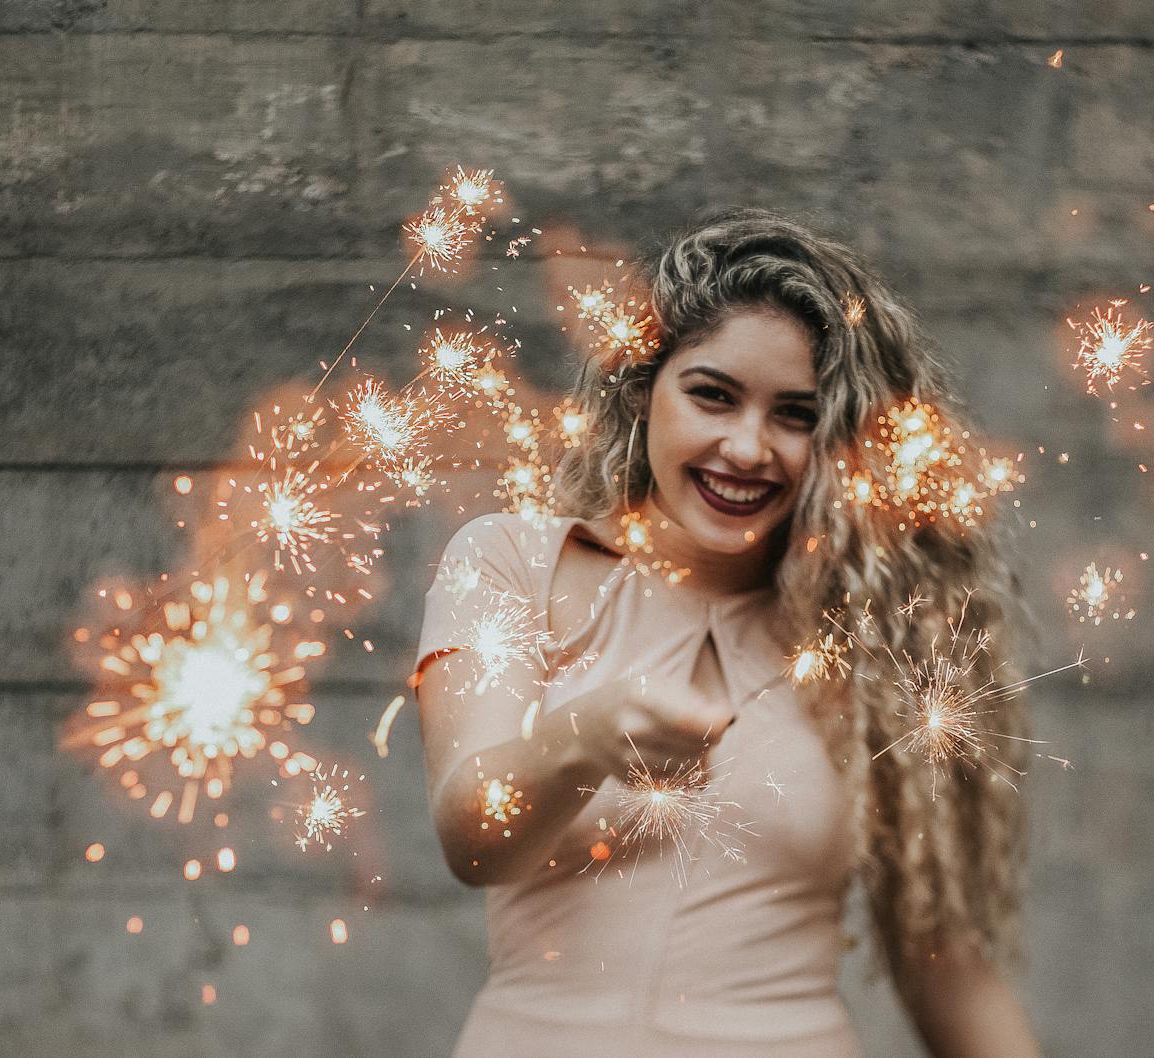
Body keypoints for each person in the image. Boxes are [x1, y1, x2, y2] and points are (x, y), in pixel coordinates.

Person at [412, 208, 1042, 1056]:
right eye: (712, 395)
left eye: (796, 415)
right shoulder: (510, 563)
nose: (747, 447)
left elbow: (946, 964)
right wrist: (592, 734)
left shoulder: (879, 640)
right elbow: (472, 837)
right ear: (644, 391)